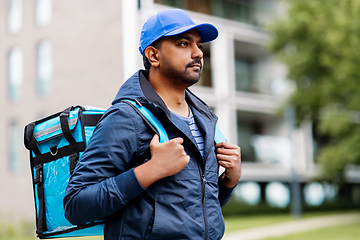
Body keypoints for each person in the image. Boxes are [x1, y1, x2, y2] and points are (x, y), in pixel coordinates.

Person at [64, 9, 241, 240]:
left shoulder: (205, 118)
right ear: (153, 56)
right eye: (183, 44)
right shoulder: (126, 118)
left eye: (199, 45)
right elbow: (75, 205)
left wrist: (229, 181)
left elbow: (197, 208)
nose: (198, 53)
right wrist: (151, 169)